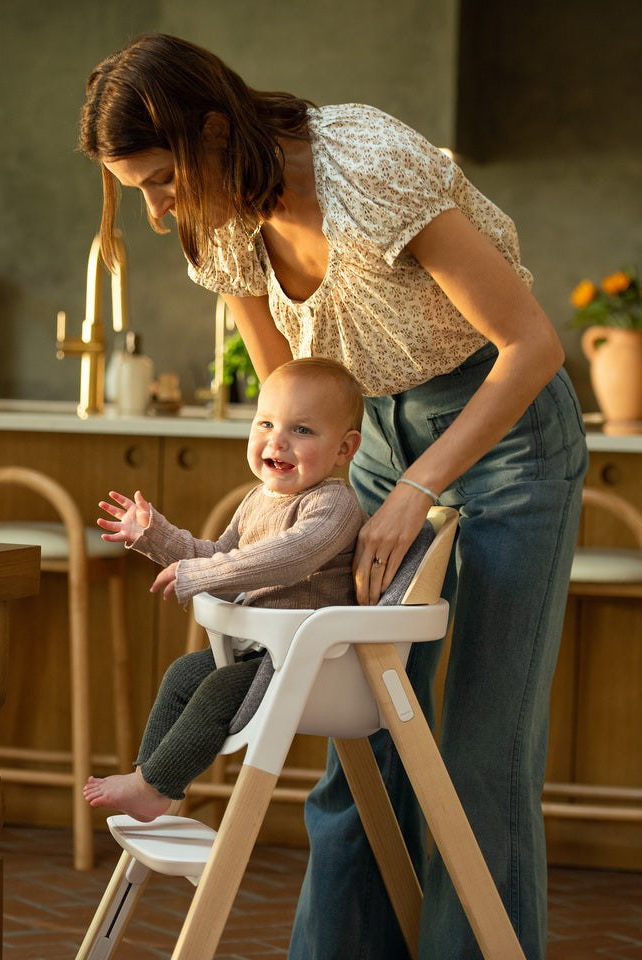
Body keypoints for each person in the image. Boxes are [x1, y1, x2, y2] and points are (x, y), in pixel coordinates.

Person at [78, 33, 588, 960]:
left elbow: (534, 348)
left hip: (504, 433)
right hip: (364, 438)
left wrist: (419, 488)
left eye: (161, 180)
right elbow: (288, 382)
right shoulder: (220, 221)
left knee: (478, 749)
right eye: (139, 189)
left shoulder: (371, 168)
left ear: (214, 132)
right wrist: (289, 497)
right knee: (368, 728)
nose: (157, 212)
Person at [83, 357, 365, 822]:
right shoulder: (257, 500)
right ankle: (150, 782)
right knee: (182, 675)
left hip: (310, 660)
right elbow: (216, 554)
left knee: (215, 690)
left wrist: (199, 577)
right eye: (266, 424)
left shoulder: (334, 505)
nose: (277, 441)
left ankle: (154, 785)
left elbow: (291, 556)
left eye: (302, 431)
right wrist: (153, 535)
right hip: (263, 651)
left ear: (343, 449)